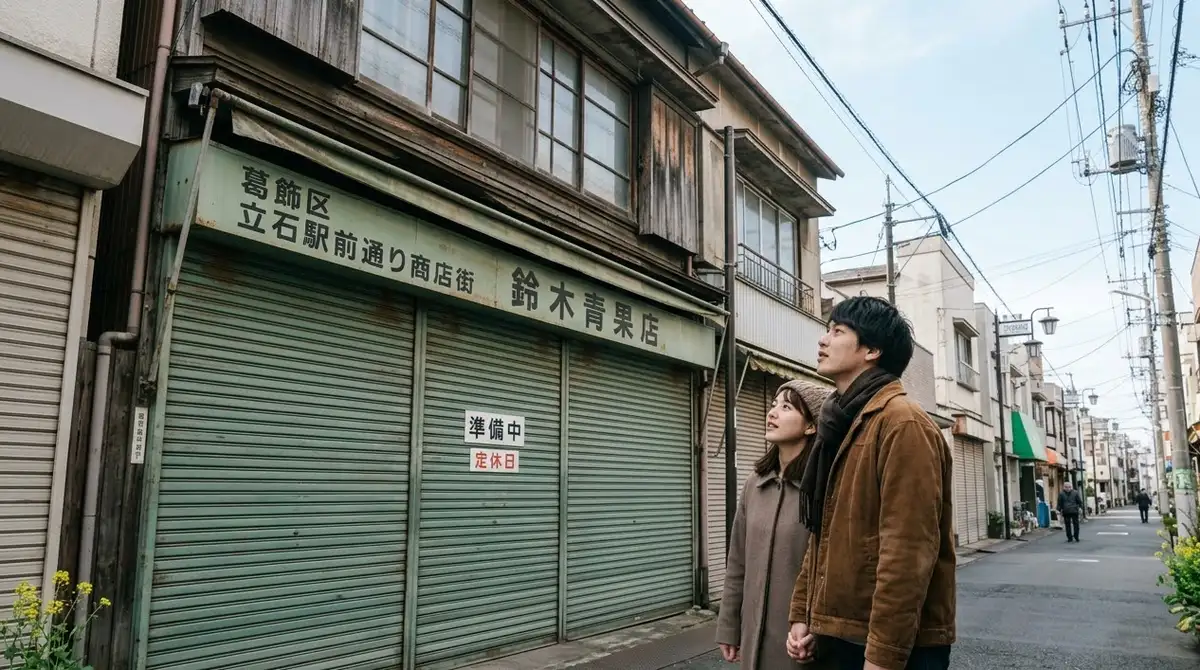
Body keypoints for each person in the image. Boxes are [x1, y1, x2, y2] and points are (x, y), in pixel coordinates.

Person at [785, 296, 955, 670]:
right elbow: (823, 534)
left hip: (889, 646)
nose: (823, 340)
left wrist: (884, 656)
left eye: (838, 331)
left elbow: (908, 551)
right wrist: (803, 614)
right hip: (838, 635)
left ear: (873, 350)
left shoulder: (902, 424)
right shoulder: (840, 422)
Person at [716, 380, 832, 669]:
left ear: (811, 426)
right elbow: (737, 562)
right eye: (772, 405)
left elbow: (832, 571)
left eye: (786, 407)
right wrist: (729, 625)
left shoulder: (825, 487)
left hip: (799, 643)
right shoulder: (755, 484)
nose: (772, 413)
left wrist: (817, 632)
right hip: (753, 639)